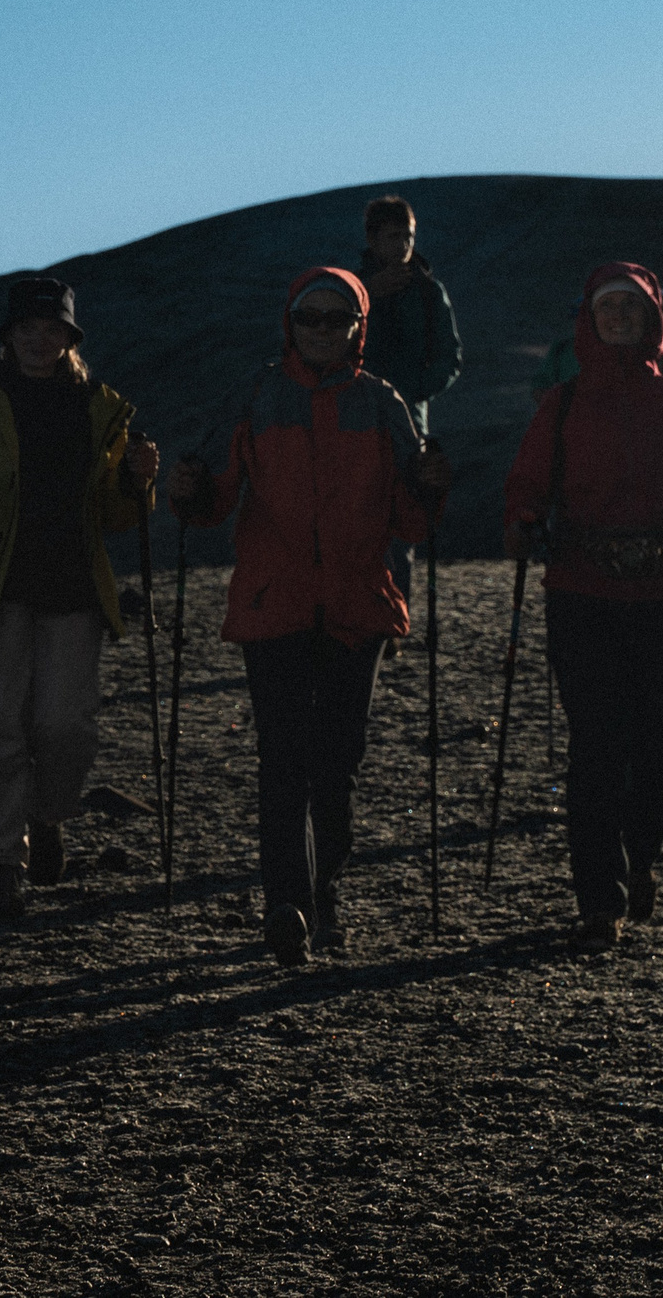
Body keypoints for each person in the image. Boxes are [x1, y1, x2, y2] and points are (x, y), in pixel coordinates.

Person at [169, 268, 451, 961]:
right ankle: (288, 903)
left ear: (359, 325)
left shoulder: (383, 403)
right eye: (309, 317)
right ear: (289, 322)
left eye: (336, 318)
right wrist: (189, 490)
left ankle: (320, 894)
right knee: (284, 760)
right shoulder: (258, 395)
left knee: (337, 760)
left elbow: (411, 521)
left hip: (358, 606)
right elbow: (211, 501)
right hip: (278, 605)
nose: (322, 329)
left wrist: (429, 487)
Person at [503, 262, 663, 949]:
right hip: (584, 590)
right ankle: (599, 895)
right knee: (599, 743)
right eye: (607, 308)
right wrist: (522, 521)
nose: (618, 318)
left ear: (652, 317)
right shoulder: (564, 405)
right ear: (590, 318)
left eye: (630, 308)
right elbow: (527, 484)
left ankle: (634, 859)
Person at [0, 278, 158, 918]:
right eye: (27, 326)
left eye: (51, 327)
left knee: (66, 726)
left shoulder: (98, 407)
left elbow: (115, 514)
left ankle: (49, 813)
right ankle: (1, 864)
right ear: (9, 335)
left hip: (73, 586)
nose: (38, 337)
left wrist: (139, 483)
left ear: (69, 338)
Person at [354, 196, 462, 624]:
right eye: (394, 235)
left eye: (409, 236)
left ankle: (393, 618)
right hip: (355, 419)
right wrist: (366, 299)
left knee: (404, 518)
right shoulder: (352, 289)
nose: (403, 245)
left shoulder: (428, 291)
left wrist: (412, 393)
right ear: (373, 238)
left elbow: (450, 357)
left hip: (409, 426)